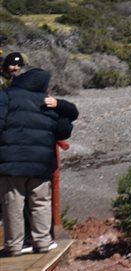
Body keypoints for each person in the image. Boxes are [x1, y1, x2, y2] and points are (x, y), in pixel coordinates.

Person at [2, 52, 79, 253]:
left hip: (11, 163)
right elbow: (65, 127)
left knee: (13, 205)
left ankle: (14, 246)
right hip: (42, 163)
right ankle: (43, 242)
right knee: (40, 203)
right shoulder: (46, 102)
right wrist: (59, 106)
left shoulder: (6, 97)